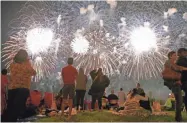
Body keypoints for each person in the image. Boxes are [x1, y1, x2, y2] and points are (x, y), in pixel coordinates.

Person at [2, 49, 36, 122]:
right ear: (25, 57)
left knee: (10, 110)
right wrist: (28, 62)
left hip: (12, 89)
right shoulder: (27, 65)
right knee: (18, 110)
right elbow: (34, 72)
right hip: (23, 89)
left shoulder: (12, 65)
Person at [163, 51, 187, 122]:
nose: (176, 56)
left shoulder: (172, 63)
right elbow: (176, 68)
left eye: (176, 55)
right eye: (174, 55)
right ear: (170, 56)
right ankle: (178, 118)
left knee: (179, 100)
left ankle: (178, 118)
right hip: (173, 83)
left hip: (176, 83)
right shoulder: (168, 62)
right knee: (179, 100)